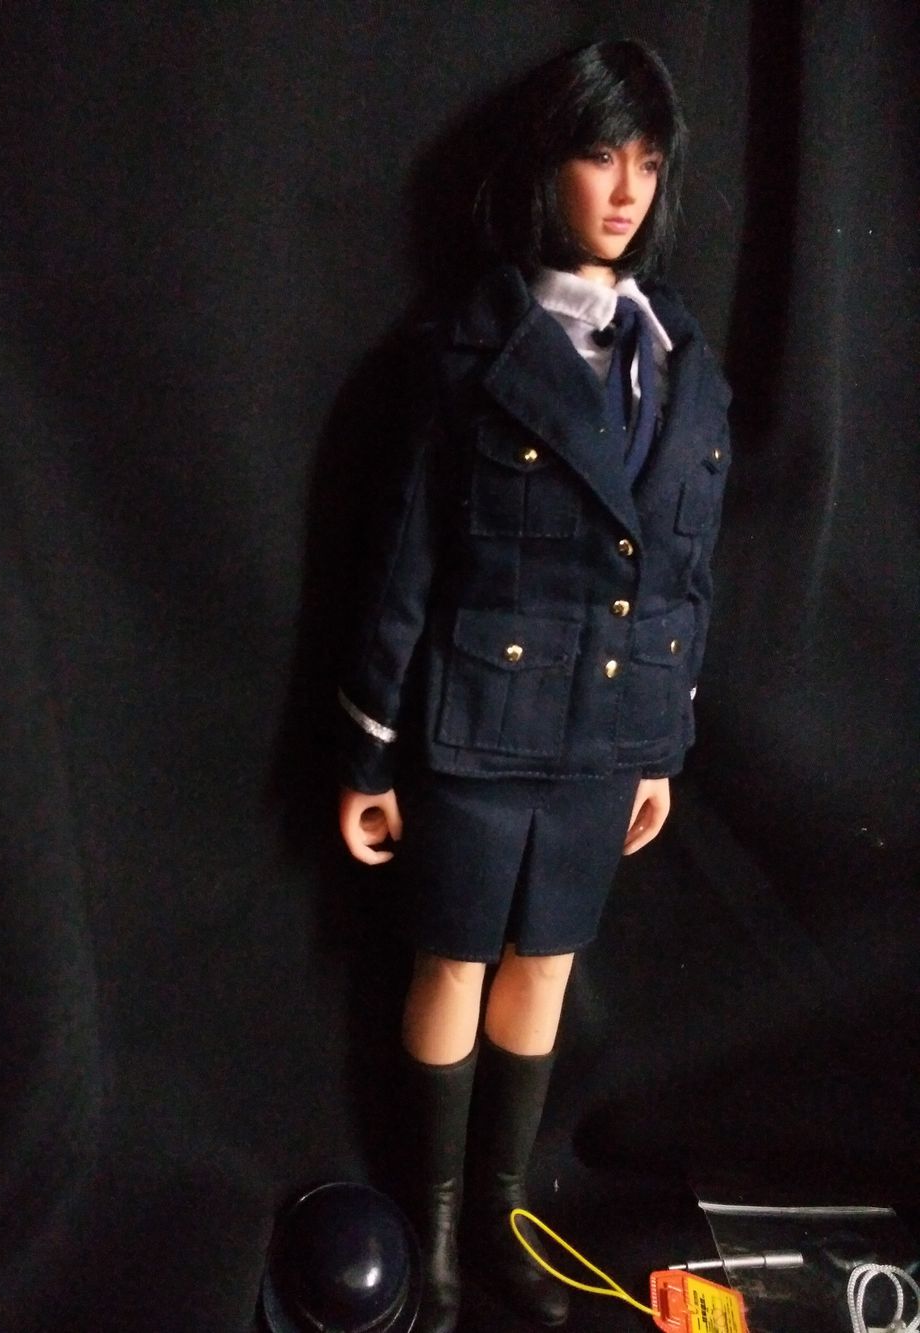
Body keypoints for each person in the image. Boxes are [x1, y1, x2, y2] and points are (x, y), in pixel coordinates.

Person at [335, 39, 730, 1333]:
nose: (624, 190)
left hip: (606, 733)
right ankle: (438, 1224)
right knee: (454, 958)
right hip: (480, 719)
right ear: (548, 168)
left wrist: (661, 745)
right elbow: (405, 559)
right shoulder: (470, 350)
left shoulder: (681, 361)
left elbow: (684, 574)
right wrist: (369, 748)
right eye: (599, 155)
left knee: (545, 965)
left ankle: (503, 1213)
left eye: (647, 163)